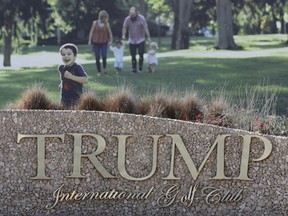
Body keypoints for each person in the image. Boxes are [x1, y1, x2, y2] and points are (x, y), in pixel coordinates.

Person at [58, 43, 88, 107]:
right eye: (63, 54)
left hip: (76, 99)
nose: (66, 56)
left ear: (75, 56)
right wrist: (61, 84)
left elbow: (85, 80)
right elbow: (63, 78)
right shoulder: (61, 68)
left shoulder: (77, 67)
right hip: (64, 98)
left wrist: (71, 77)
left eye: (69, 54)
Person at [122, 7, 151, 73]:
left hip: (141, 39)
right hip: (132, 40)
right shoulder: (127, 19)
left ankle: (140, 67)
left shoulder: (141, 18)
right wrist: (123, 35)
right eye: (131, 15)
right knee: (133, 55)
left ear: (136, 13)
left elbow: (145, 28)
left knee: (141, 53)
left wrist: (148, 37)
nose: (132, 17)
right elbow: (124, 27)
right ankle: (134, 68)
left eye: (133, 15)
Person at [88, 10, 113, 76]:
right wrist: (90, 40)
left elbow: (110, 33)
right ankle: (98, 71)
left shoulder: (107, 24)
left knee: (104, 55)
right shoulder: (95, 23)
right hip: (96, 42)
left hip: (104, 42)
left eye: (106, 17)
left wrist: (111, 40)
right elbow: (91, 32)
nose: (105, 19)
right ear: (101, 17)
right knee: (97, 56)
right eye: (104, 17)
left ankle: (104, 68)